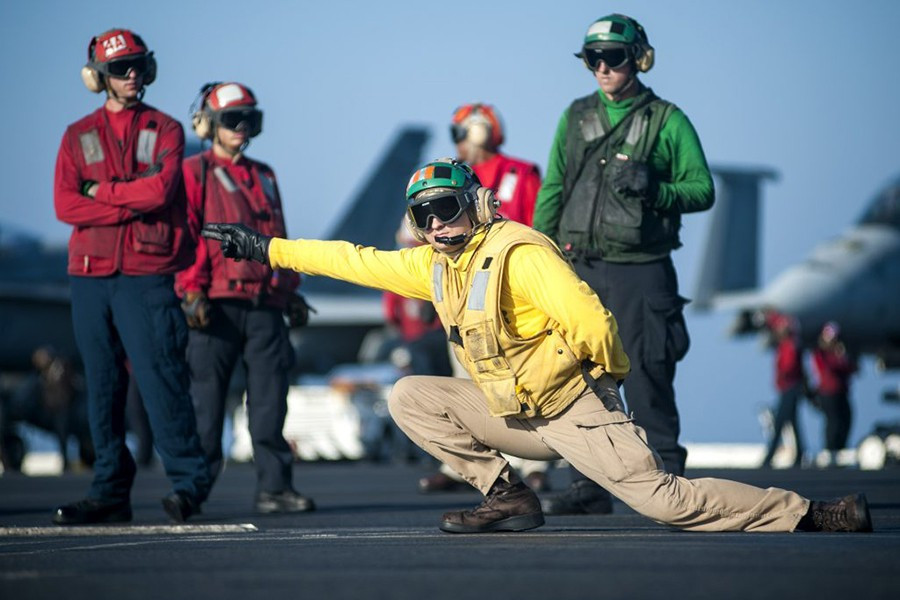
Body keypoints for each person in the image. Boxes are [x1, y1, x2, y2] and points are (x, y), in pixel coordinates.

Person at [201, 158, 872, 534]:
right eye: (425, 213)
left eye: (448, 206)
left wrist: (608, 389)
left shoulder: (517, 250)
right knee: (410, 395)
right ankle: (507, 496)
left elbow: (591, 318)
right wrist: (266, 249)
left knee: (669, 503)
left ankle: (813, 511)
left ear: (475, 204)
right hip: (515, 417)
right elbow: (350, 258)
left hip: (575, 409)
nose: (437, 221)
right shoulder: (434, 265)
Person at [532, 13, 714, 515]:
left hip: (642, 268)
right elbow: (553, 188)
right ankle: (590, 487)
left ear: (638, 58)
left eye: (613, 57)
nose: (603, 67)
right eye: (593, 58)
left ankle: (670, 482)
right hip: (579, 268)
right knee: (577, 377)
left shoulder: (667, 120)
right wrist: (535, 254)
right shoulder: (575, 117)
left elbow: (702, 190)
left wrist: (656, 189)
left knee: (648, 374)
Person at [52, 28, 212, 524]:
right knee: (101, 386)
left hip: (146, 274)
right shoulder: (77, 135)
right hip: (90, 276)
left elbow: (160, 193)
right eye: (121, 69)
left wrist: (100, 194)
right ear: (97, 78)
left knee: (162, 379)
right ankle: (109, 491)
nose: (132, 75)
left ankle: (188, 485)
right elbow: (64, 204)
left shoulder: (165, 130)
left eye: (139, 66)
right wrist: (126, 195)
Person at [175, 82, 314, 513]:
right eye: (231, 119)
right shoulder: (193, 172)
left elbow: (279, 237)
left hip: (265, 305)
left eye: (248, 119)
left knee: (271, 403)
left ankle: (274, 488)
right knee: (206, 407)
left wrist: (290, 290)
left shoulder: (264, 174)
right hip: (214, 305)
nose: (240, 127)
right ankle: (192, 490)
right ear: (208, 124)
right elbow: (187, 234)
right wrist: (191, 291)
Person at [420, 103, 549, 493]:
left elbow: (540, 228)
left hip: (510, 300)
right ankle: (464, 463)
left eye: (463, 132)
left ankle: (532, 465)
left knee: (519, 384)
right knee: (464, 384)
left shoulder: (519, 175)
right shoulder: (445, 176)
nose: (459, 142)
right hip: (461, 301)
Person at [761, 313, 807, 468]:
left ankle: (769, 457)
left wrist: (784, 376)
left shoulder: (790, 346)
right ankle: (800, 453)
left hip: (789, 388)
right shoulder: (787, 345)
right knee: (793, 422)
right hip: (788, 388)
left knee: (780, 422)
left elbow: (790, 366)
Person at [811, 322, 858, 467]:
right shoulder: (820, 354)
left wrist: (843, 357)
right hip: (827, 393)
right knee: (833, 423)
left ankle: (840, 452)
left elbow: (853, 368)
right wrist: (840, 361)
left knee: (846, 420)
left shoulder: (840, 352)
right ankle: (829, 453)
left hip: (842, 392)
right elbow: (826, 370)